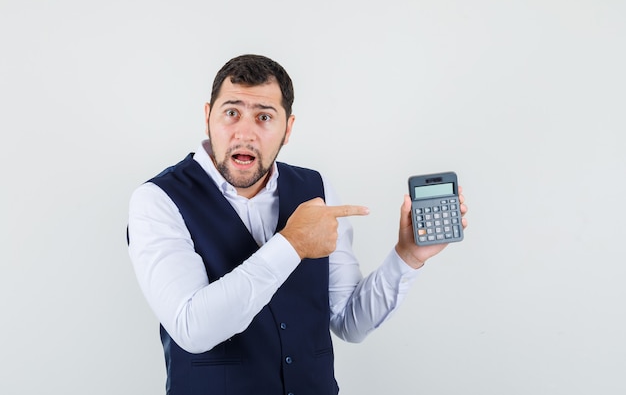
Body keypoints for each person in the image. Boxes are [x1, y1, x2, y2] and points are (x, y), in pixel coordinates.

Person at [127, 54, 468, 395]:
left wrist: (408, 256)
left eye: (264, 117)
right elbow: (192, 329)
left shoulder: (316, 190)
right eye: (231, 113)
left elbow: (350, 321)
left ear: (287, 129)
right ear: (207, 118)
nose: (244, 133)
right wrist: (292, 244)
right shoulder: (158, 201)